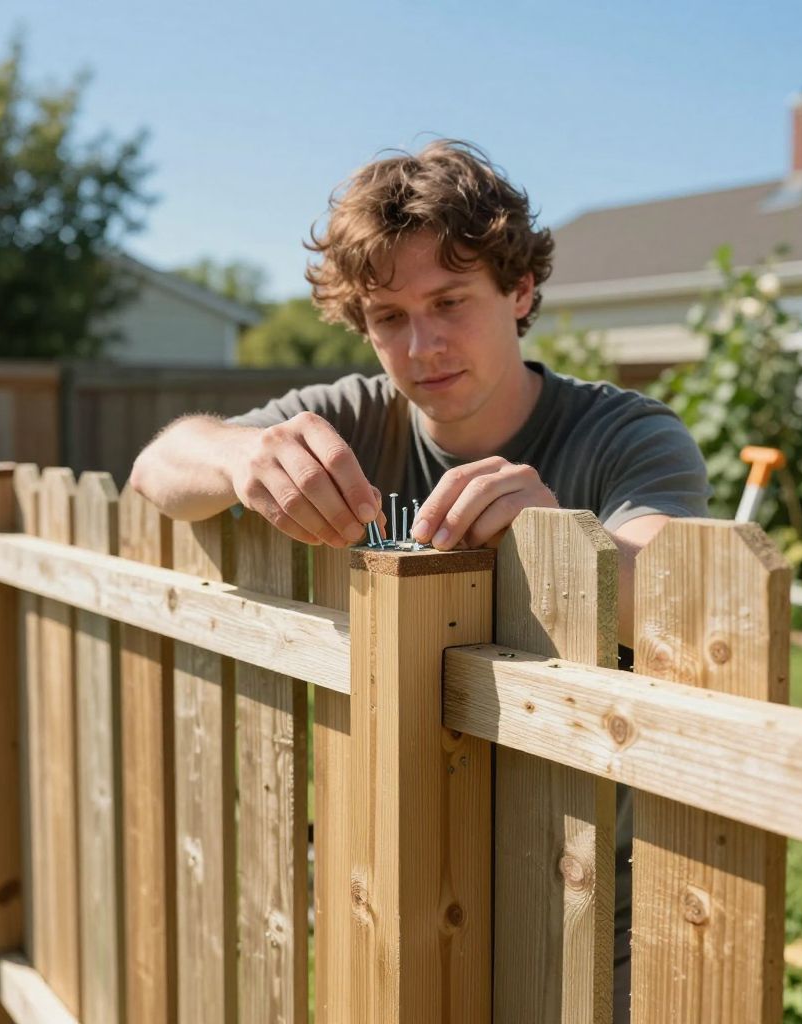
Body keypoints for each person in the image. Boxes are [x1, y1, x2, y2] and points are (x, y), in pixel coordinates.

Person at [130, 139, 710, 1020]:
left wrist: (561, 534)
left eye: (449, 301)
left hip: (593, 903)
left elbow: (679, 584)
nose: (423, 344)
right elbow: (157, 468)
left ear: (519, 293)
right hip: (386, 892)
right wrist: (244, 454)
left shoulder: (626, 434)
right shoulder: (355, 416)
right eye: (389, 316)